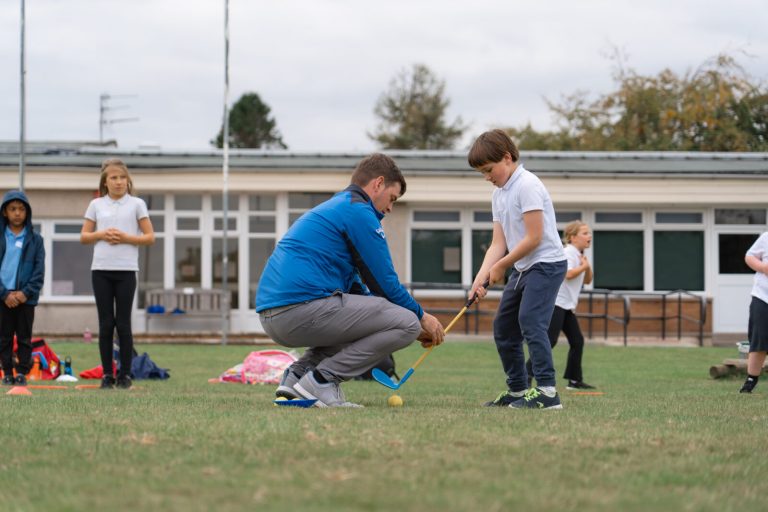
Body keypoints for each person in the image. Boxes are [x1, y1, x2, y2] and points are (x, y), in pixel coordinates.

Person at [256, 153, 445, 408]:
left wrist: (403, 323)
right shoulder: (359, 211)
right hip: (299, 310)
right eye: (392, 198)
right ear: (378, 184)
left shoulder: (338, 207)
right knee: (408, 323)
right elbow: (386, 283)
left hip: (273, 317)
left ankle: (297, 377)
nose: (390, 209)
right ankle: (322, 380)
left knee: (387, 322)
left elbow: (361, 293)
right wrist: (422, 318)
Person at [468, 129, 567, 409]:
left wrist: (500, 267)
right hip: (523, 267)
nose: (487, 177)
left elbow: (534, 238)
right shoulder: (499, 194)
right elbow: (498, 243)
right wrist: (479, 280)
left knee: (531, 321)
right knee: (504, 327)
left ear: (507, 158)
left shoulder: (528, 185)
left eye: (489, 169)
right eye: (482, 173)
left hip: (547, 263)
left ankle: (548, 393)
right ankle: (519, 390)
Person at [80, 158, 155, 390]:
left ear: (128, 181)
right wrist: (102, 234)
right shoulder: (96, 205)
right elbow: (84, 236)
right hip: (101, 270)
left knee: (123, 324)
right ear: (105, 181)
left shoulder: (137, 204)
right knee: (105, 324)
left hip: (126, 271)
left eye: (122, 177)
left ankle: (125, 375)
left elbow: (149, 237)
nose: (119, 182)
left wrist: (125, 238)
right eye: (114, 178)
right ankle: (107, 375)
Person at [526, 221, 595, 390]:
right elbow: (569, 274)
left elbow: (587, 280)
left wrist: (586, 266)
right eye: (585, 233)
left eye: (589, 233)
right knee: (549, 341)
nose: (589, 236)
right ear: (572, 237)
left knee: (577, 341)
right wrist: (583, 266)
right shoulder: (567, 252)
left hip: (567, 305)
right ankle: (526, 374)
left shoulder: (579, 254)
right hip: (557, 303)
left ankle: (574, 380)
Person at [0, 190, 45, 387]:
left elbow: (39, 271)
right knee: (4, 338)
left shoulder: (36, 240)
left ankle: (22, 373)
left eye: (21, 209)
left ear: (27, 213)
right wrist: (4, 294)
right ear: (5, 213)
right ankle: (7, 372)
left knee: (25, 338)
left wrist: (25, 293)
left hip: (26, 298)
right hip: (3, 297)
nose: (17, 213)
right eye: (12, 209)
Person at [740, 231, 768, 393]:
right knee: (759, 339)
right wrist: (762, 267)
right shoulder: (766, 237)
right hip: (763, 297)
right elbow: (749, 256)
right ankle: (751, 380)